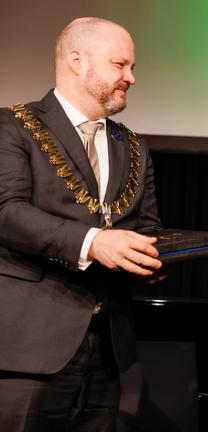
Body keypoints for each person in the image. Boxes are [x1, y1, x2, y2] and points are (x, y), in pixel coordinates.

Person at [0, 17, 163, 431]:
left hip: (107, 350)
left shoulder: (134, 145)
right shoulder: (12, 126)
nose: (132, 77)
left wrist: (152, 259)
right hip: (29, 352)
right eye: (120, 65)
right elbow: (7, 212)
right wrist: (94, 243)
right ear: (77, 61)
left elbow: (147, 226)